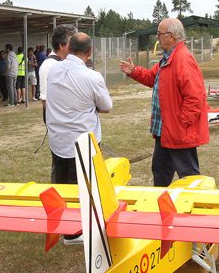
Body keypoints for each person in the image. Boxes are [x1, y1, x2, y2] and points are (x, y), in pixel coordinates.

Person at [119, 17, 209, 187]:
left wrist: (182, 122)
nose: (157, 37)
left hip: (178, 130)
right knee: (160, 170)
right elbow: (153, 78)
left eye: (159, 34)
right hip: (164, 130)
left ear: (172, 36)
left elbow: (195, 96)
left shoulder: (182, 59)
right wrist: (134, 71)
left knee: (188, 176)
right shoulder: (168, 58)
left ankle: (193, 209)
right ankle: (160, 204)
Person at [47, 32, 112, 189]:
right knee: (85, 193)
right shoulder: (93, 77)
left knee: (61, 190)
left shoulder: (53, 70)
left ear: (69, 48)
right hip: (83, 145)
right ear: (89, 52)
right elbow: (106, 106)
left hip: (58, 142)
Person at [39, 24, 76, 120]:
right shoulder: (49, 66)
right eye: (72, 43)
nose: (75, 46)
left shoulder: (67, 62)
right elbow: (45, 101)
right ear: (61, 46)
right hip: (61, 124)